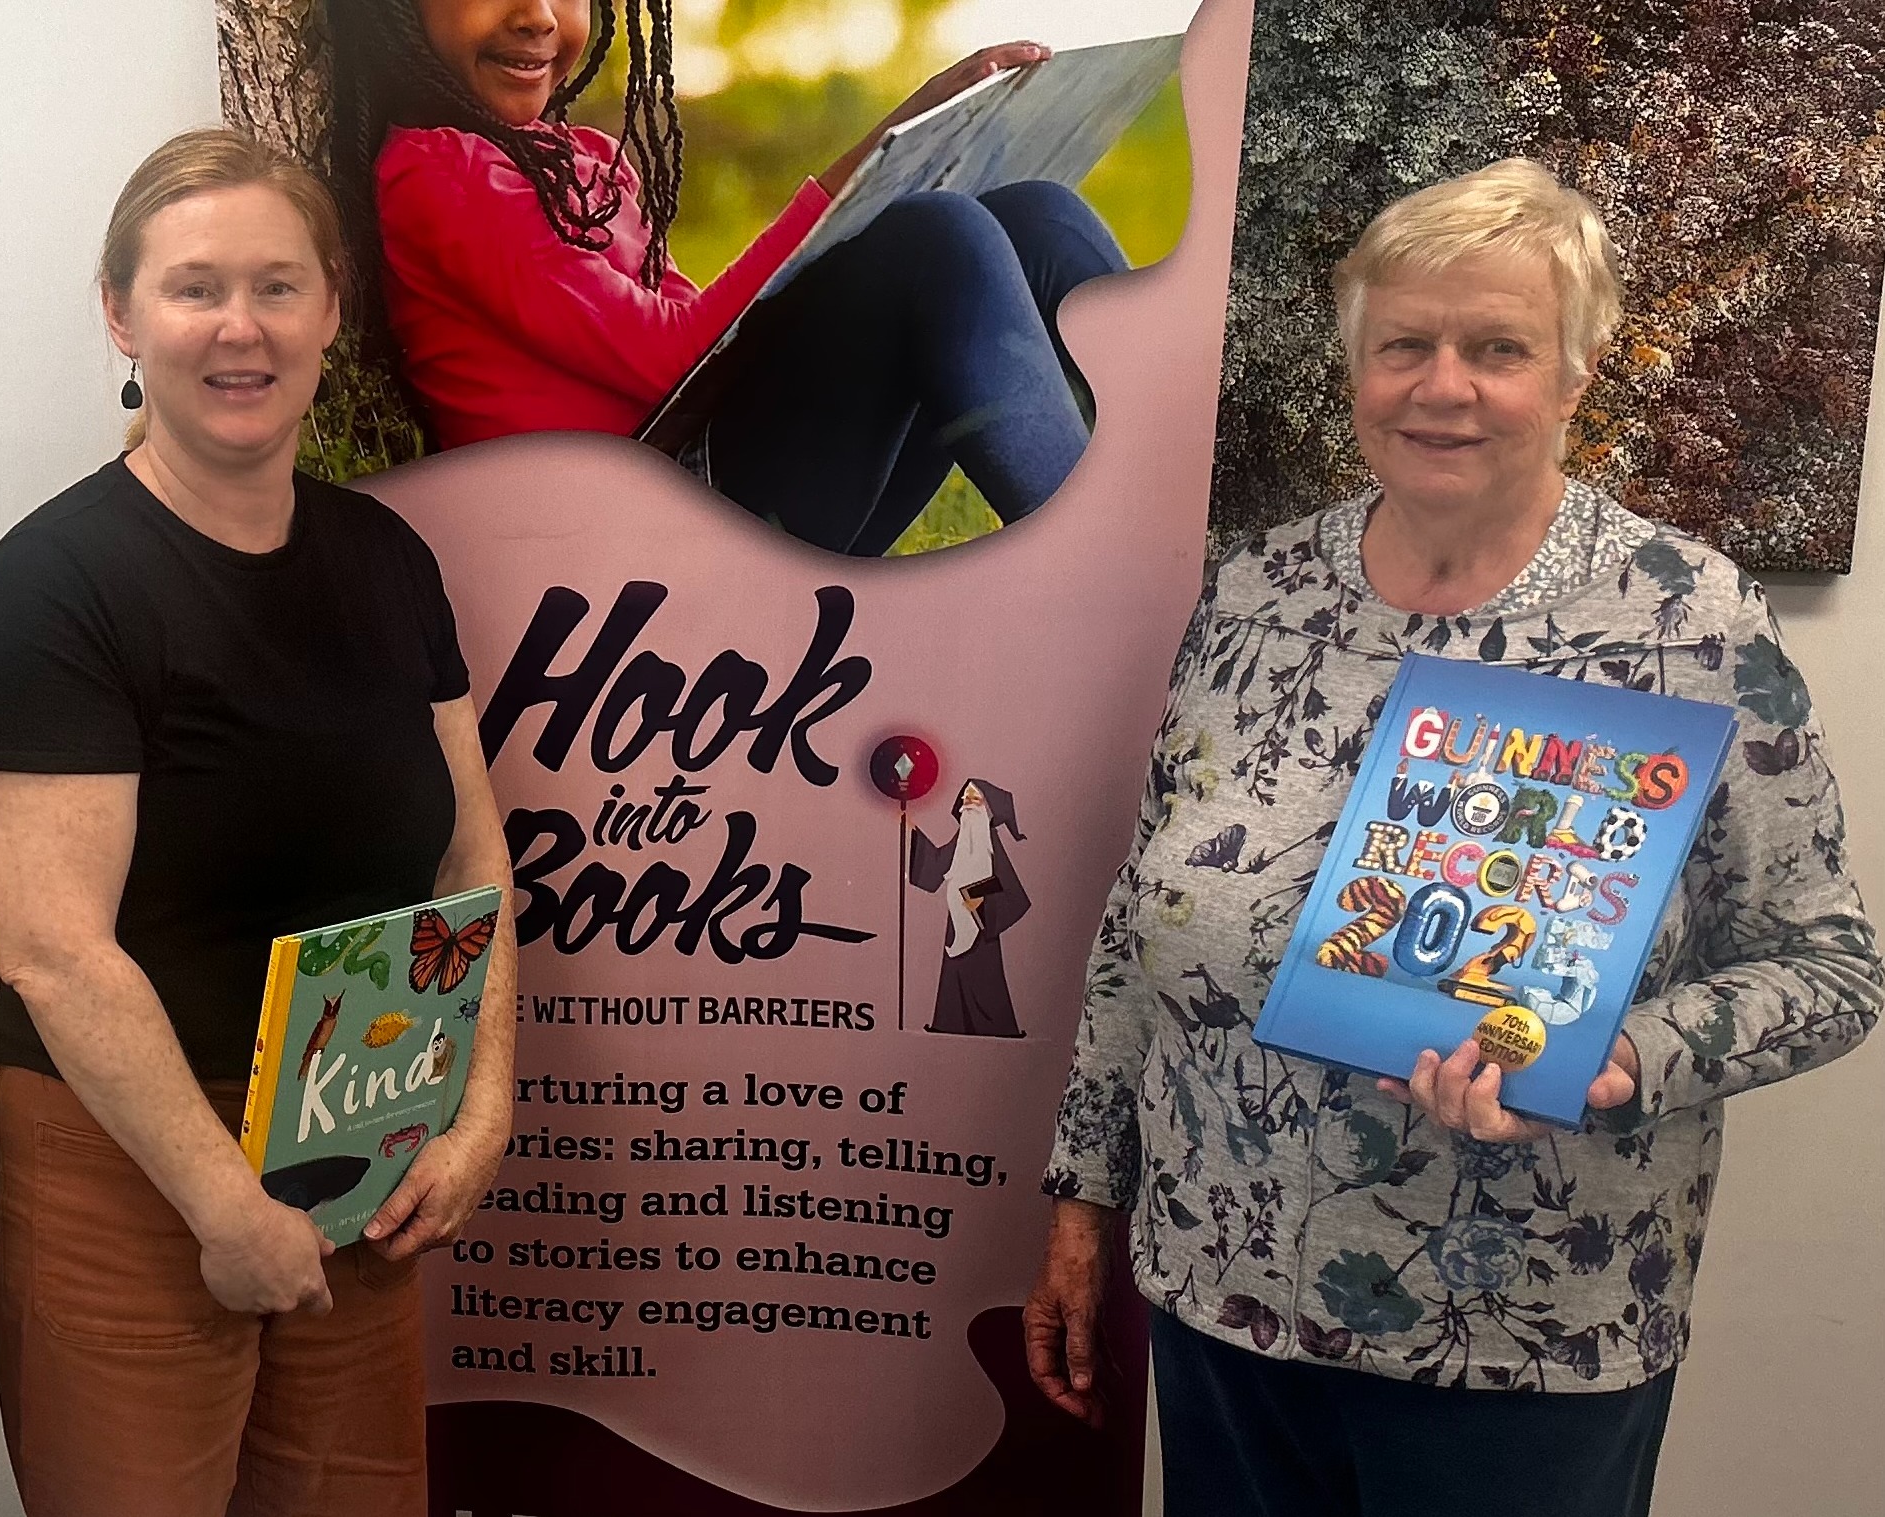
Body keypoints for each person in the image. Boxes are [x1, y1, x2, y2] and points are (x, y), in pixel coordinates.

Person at [1020, 159, 1881, 1517]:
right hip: (1223, 1298)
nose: (1442, 386)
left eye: (1496, 349)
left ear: (1577, 373)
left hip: (1522, 1333)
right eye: (1403, 345)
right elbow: (1140, 923)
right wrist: (1083, 1194)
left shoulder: (1683, 623)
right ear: (1354, 366)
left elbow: (1827, 968)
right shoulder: (1255, 594)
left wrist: (1611, 1055)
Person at [0, 128, 518, 1516]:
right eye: (194, 286)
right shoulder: (56, 584)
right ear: (120, 312)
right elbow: (53, 950)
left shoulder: (385, 559)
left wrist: (483, 1105)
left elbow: (469, 859)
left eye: (277, 285)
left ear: (331, 305)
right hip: (127, 1153)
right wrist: (224, 1202)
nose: (238, 327)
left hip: (357, 1129)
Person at [325, 0, 1130, 556]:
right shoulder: (436, 175)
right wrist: (879, 152)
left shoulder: (585, 161)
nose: (539, 15)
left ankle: (1192, 501)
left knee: (1037, 217)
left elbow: (706, 333)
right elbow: (672, 360)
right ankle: (1114, 575)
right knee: (935, 238)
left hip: (714, 501)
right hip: (643, 564)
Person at [908, 778, 1030, 1038]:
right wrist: (912, 834)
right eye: (965, 799)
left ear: (987, 808)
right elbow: (937, 864)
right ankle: (950, 1023)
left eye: (975, 800)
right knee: (954, 977)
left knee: (986, 979)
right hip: (957, 922)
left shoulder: (991, 845)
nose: (968, 805)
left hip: (982, 925)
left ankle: (996, 1027)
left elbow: (1017, 898)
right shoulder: (960, 839)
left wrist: (982, 902)